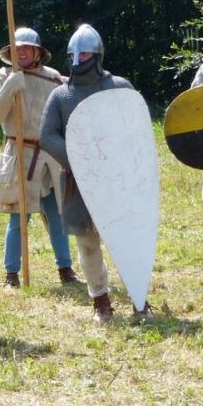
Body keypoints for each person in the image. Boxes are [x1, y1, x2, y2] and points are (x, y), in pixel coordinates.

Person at [39, 24, 152, 322]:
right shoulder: (61, 96)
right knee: (87, 242)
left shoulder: (120, 88)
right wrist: (77, 159)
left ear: (97, 54)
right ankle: (100, 301)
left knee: (127, 238)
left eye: (85, 52)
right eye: (74, 53)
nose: (79, 58)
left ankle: (139, 299)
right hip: (78, 180)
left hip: (119, 178)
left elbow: (137, 128)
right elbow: (47, 136)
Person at [0, 28, 77, 288]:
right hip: (20, 154)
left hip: (50, 155)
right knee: (18, 217)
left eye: (26, 48)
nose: (21, 52)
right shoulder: (2, 77)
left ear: (37, 52)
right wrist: (10, 87)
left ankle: (66, 268)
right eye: (16, 48)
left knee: (57, 215)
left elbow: (68, 109)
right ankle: (11, 274)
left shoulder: (54, 78)